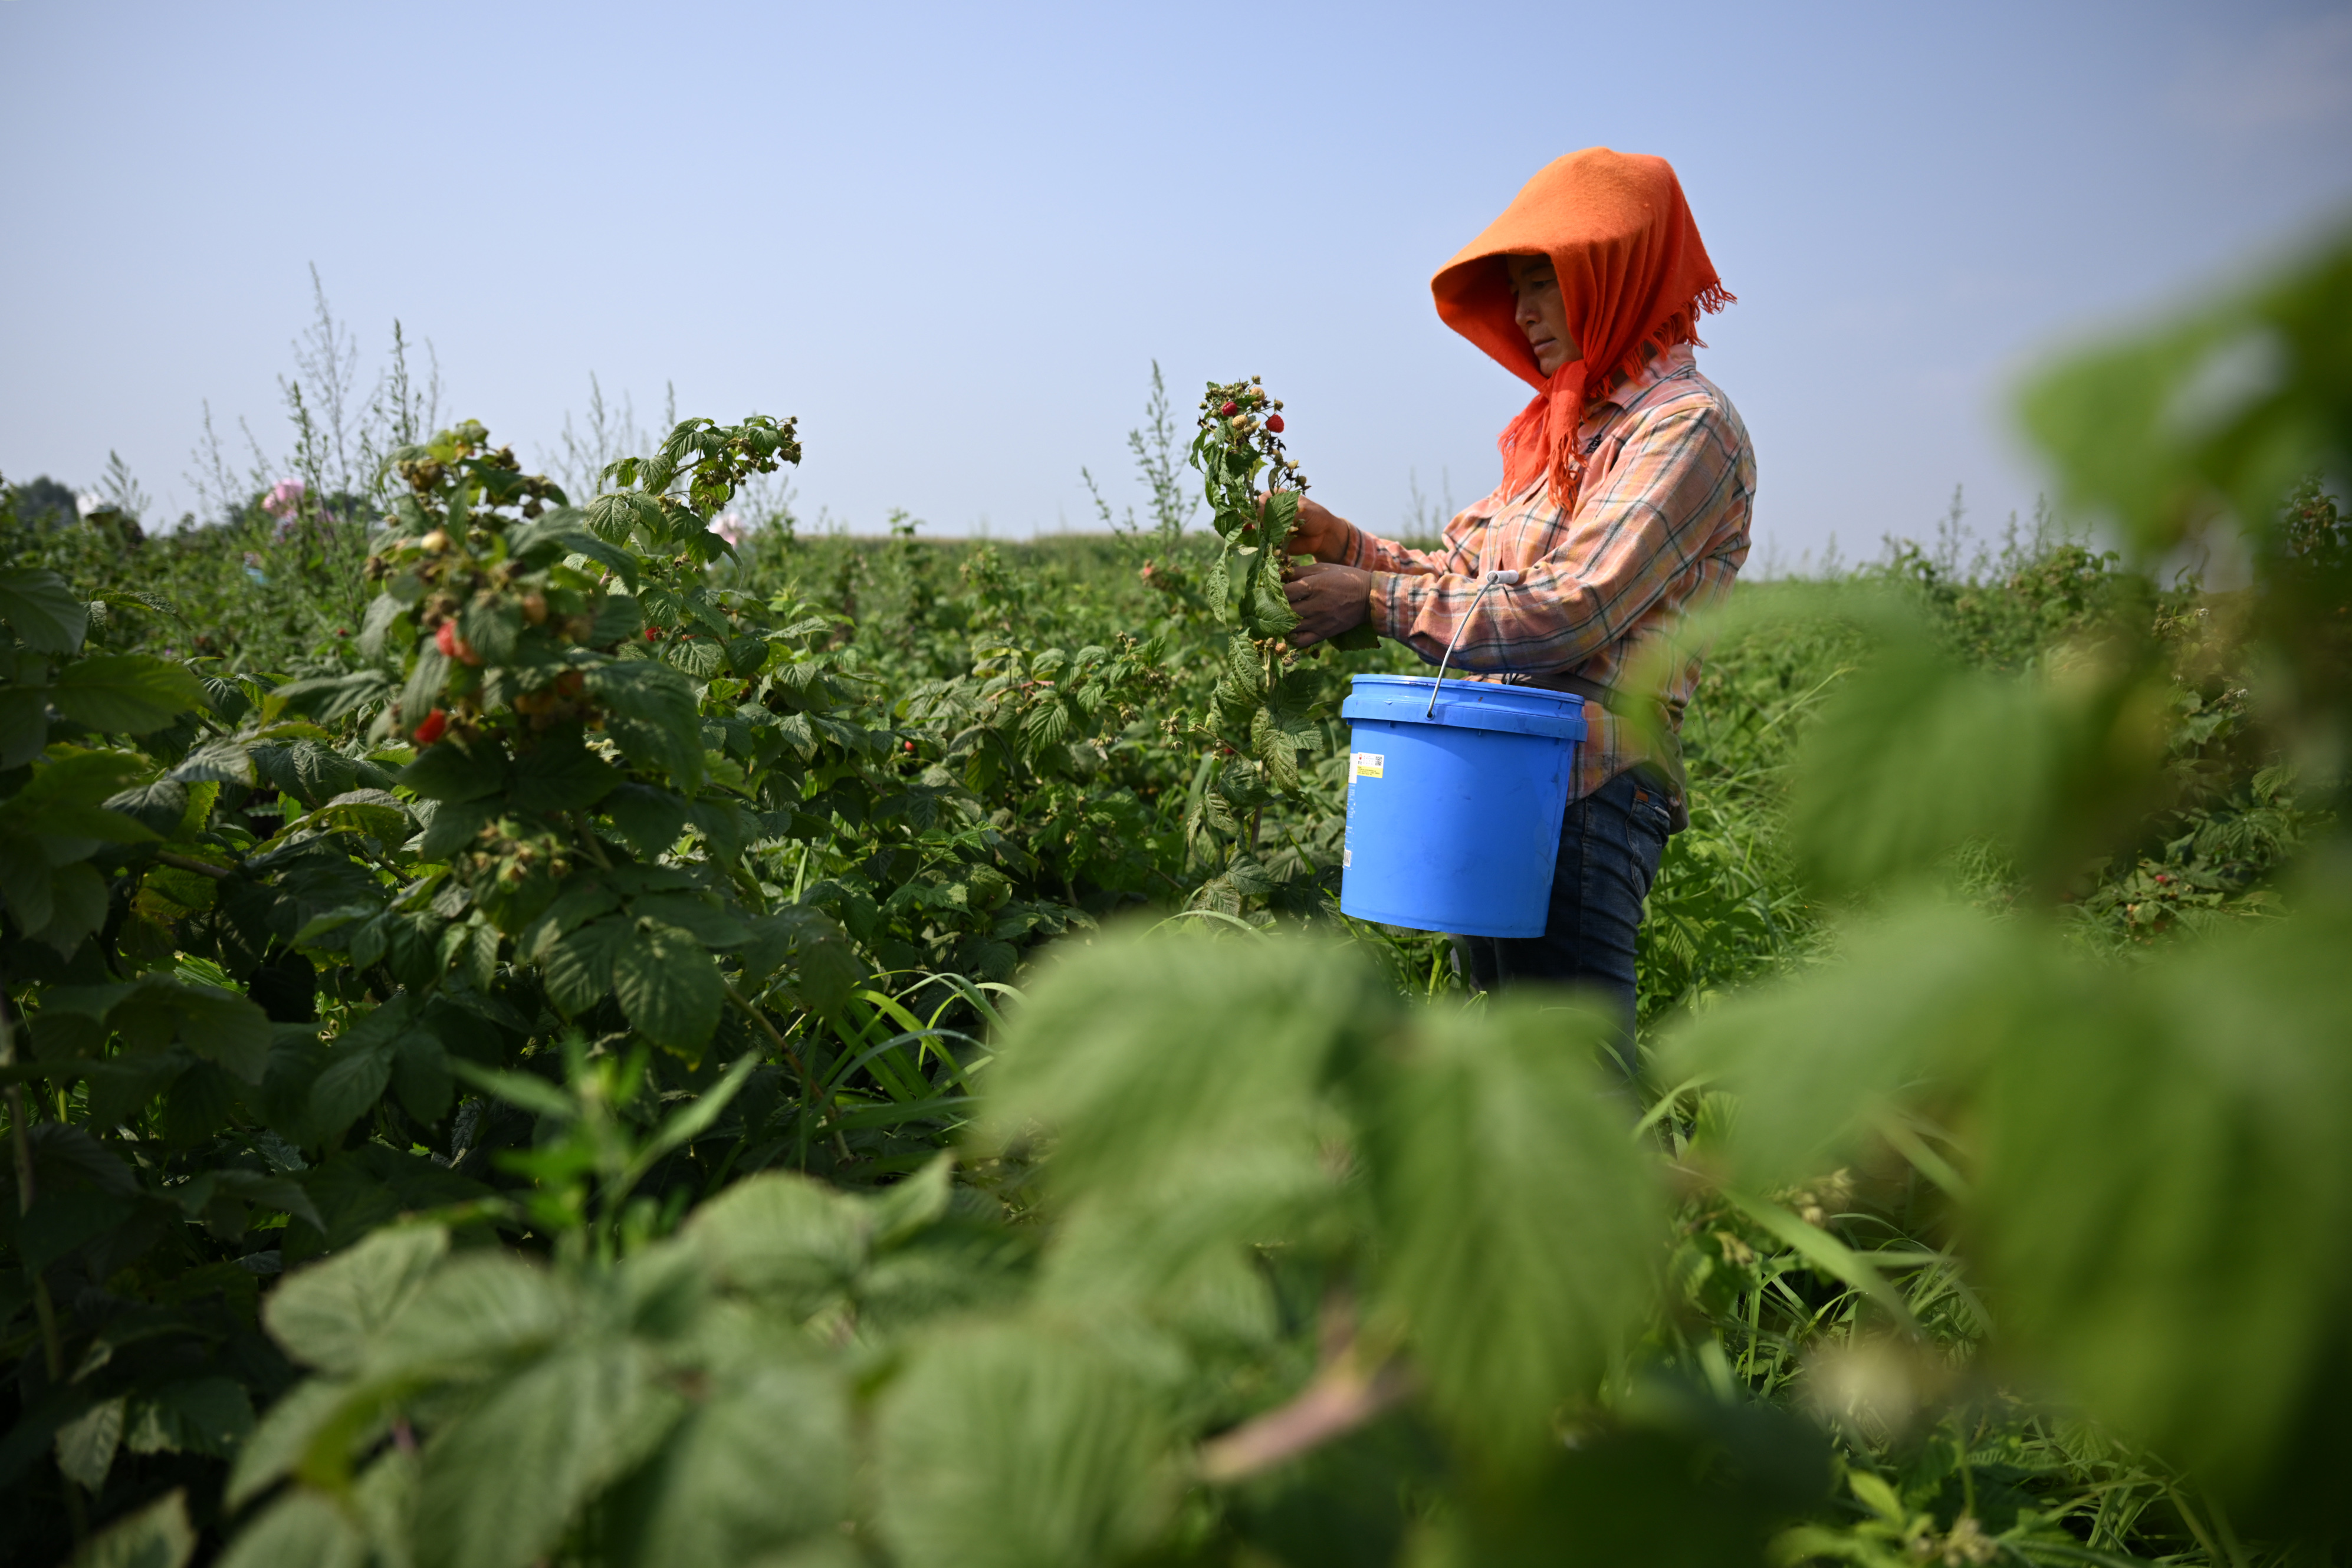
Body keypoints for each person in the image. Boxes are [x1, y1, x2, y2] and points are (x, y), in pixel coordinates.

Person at [1280, 147, 1755, 1079]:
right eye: (1517, 288)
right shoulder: (1564, 432)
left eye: (1546, 283)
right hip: (1495, 781)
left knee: (1574, 1084)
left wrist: (1373, 600)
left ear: (1616, 275)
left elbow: (1571, 607)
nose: (1525, 313)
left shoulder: (1682, 425)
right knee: (1504, 1076)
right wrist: (1341, 544)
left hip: (1587, 790)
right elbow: (1465, 576)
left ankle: (1653, 1227)